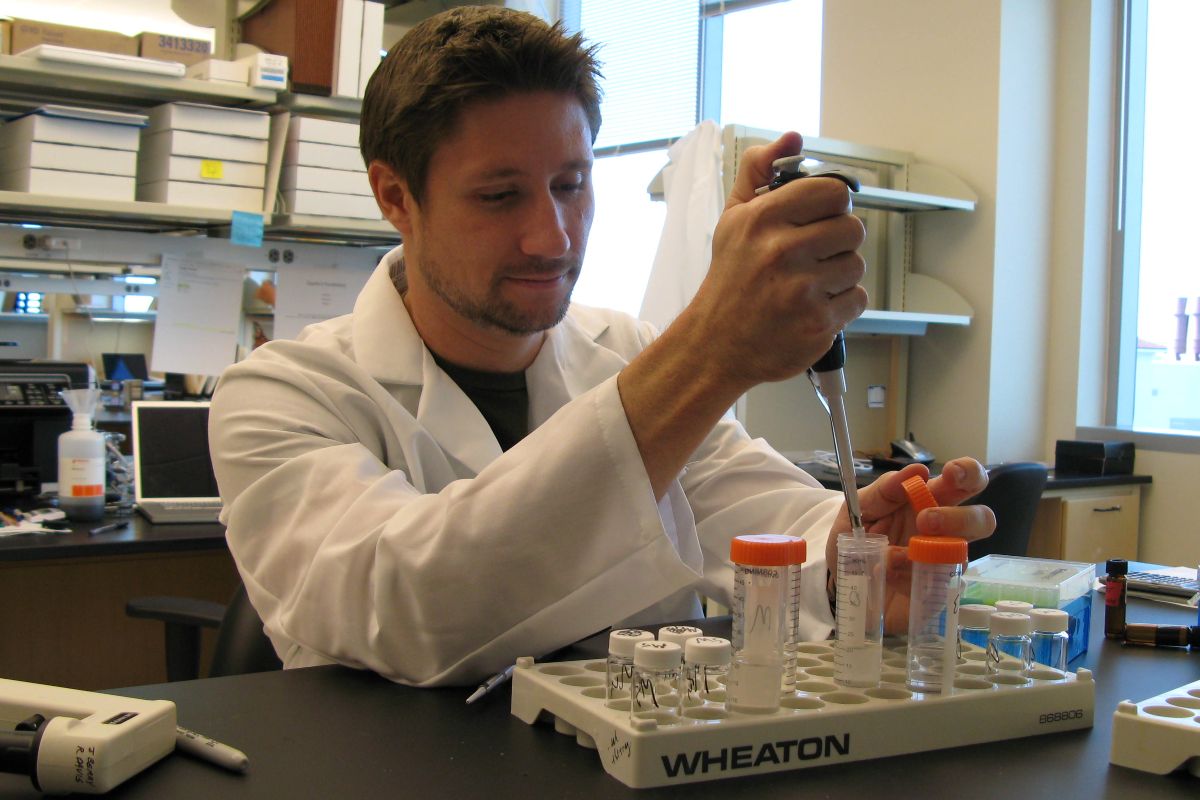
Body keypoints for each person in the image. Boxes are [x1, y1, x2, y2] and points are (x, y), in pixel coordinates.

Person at [209, 6, 994, 687]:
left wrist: (850, 556)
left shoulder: (624, 350)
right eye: (498, 194)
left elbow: (752, 507)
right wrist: (710, 348)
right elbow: (412, 606)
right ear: (394, 197)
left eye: (571, 184)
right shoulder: (281, 395)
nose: (551, 236)